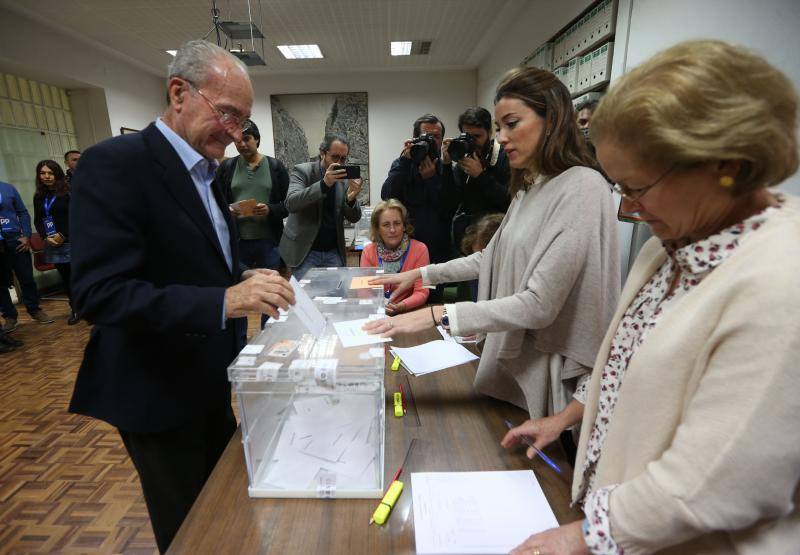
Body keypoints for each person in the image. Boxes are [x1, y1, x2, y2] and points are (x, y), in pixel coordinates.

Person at [503, 40, 800, 555]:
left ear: (725, 164)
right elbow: (623, 368)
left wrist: (583, 536)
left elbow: (716, 483)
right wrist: (567, 418)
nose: (629, 208)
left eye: (637, 187)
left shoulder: (782, 279)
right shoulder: (669, 248)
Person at [68, 39, 296, 554]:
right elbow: (99, 294)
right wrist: (226, 302)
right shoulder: (115, 165)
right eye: (228, 115)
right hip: (156, 393)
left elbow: (205, 263)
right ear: (179, 93)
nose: (237, 134)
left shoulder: (209, 173)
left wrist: (253, 277)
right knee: (192, 531)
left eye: (243, 121)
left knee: (223, 511)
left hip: (209, 380)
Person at [366, 67, 620, 426]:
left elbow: (540, 304)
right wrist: (420, 273)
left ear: (553, 120)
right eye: (499, 128)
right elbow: (489, 257)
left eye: (512, 124)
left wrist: (438, 315)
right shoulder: (531, 187)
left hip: (553, 378)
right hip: (517, 370)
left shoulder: (583, 186)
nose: (502, 137)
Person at [278, 134, 362, 278]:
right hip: (304, 251)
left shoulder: (343, 179)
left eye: (343, 158)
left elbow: (354, 218)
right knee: (306, 298)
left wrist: (351, 200)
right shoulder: (302, 171)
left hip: (333, 250)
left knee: (337, 295)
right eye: (335, 157)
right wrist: (324, 185)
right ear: (322, 153)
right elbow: (291, 203)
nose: (340, 163)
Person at [217, 119, 289, 272]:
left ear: (256, 139)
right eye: (237, 141)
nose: (242, 144)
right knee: (243, 288)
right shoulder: (226, 168)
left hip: (269, 244)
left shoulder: (275, 167)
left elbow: (288, 205)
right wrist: (228, 211)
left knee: (270, 289)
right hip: (238, 243)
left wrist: (270, 210)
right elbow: (216, 203)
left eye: (247, 139)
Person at [381, 114, 451, 267]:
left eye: (436, 137)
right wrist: (405, 161)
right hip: (405, 248)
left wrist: (431, 179)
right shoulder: (402, 164)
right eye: (426, 136)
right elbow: (387, 197)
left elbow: (447, 208)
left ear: (442, 140)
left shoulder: (447, 167)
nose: (432, 141)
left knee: (433, 291)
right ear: (415, 139)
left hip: (436, 250)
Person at [441, 107, 510, 255]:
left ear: (489, 133)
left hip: (497, 239)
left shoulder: (505, 157)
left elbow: (510, 201)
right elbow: (448, 204)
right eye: (468, 136)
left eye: (477, 136)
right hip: (466, 239)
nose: (473, 142)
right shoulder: (464, 157)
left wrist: (480, 175)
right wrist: (446, 166)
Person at [360, 199, 429, 315]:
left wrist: (401, 306)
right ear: (377, 229)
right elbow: (363, 290)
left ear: (404, 226)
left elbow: (422, 292)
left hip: (409, 312)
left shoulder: (420, 249)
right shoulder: (368, 251)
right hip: (376, 312)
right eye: (386, 225)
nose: (392, 230)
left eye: (397, 223)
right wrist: (379, 307)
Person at [0, 180, 53, 331]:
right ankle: (9, 316)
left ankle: (34, 310)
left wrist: (27, 235)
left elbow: (22, 212)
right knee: (1, 284)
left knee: (27, 278)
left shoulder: (7, 188)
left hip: (15, 240)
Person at [33, 160, 78, 325]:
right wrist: (46, 236)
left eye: (50, 173)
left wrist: (63, 234)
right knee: (66, 278)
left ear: (57, 174)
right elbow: (38, 220)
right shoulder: (39, 196)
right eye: (42, 173)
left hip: (72, 240)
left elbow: (77, 215)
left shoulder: (68, 192)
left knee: (79, 276)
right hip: (53, 243)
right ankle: (75, 308)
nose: (46, 176)